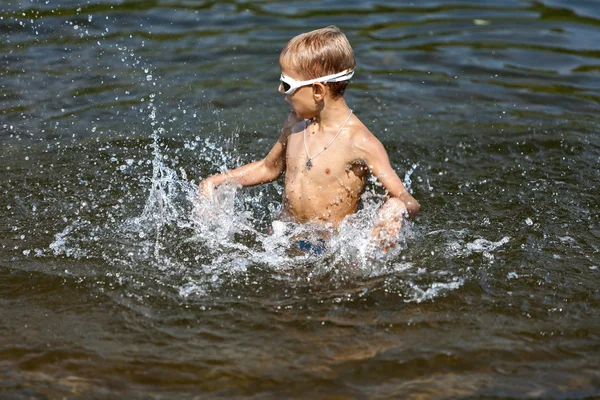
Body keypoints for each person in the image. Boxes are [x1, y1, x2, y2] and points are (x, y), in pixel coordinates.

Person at [198, 26, 419, 249]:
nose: (280, 90)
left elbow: (408, 200)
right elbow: (268, 168)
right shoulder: (295, 123)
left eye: (287, 84)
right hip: (283, 237)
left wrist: (396, 207)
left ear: (317, 91)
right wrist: (215, 182)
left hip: (329, 248)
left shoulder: (360, 142)